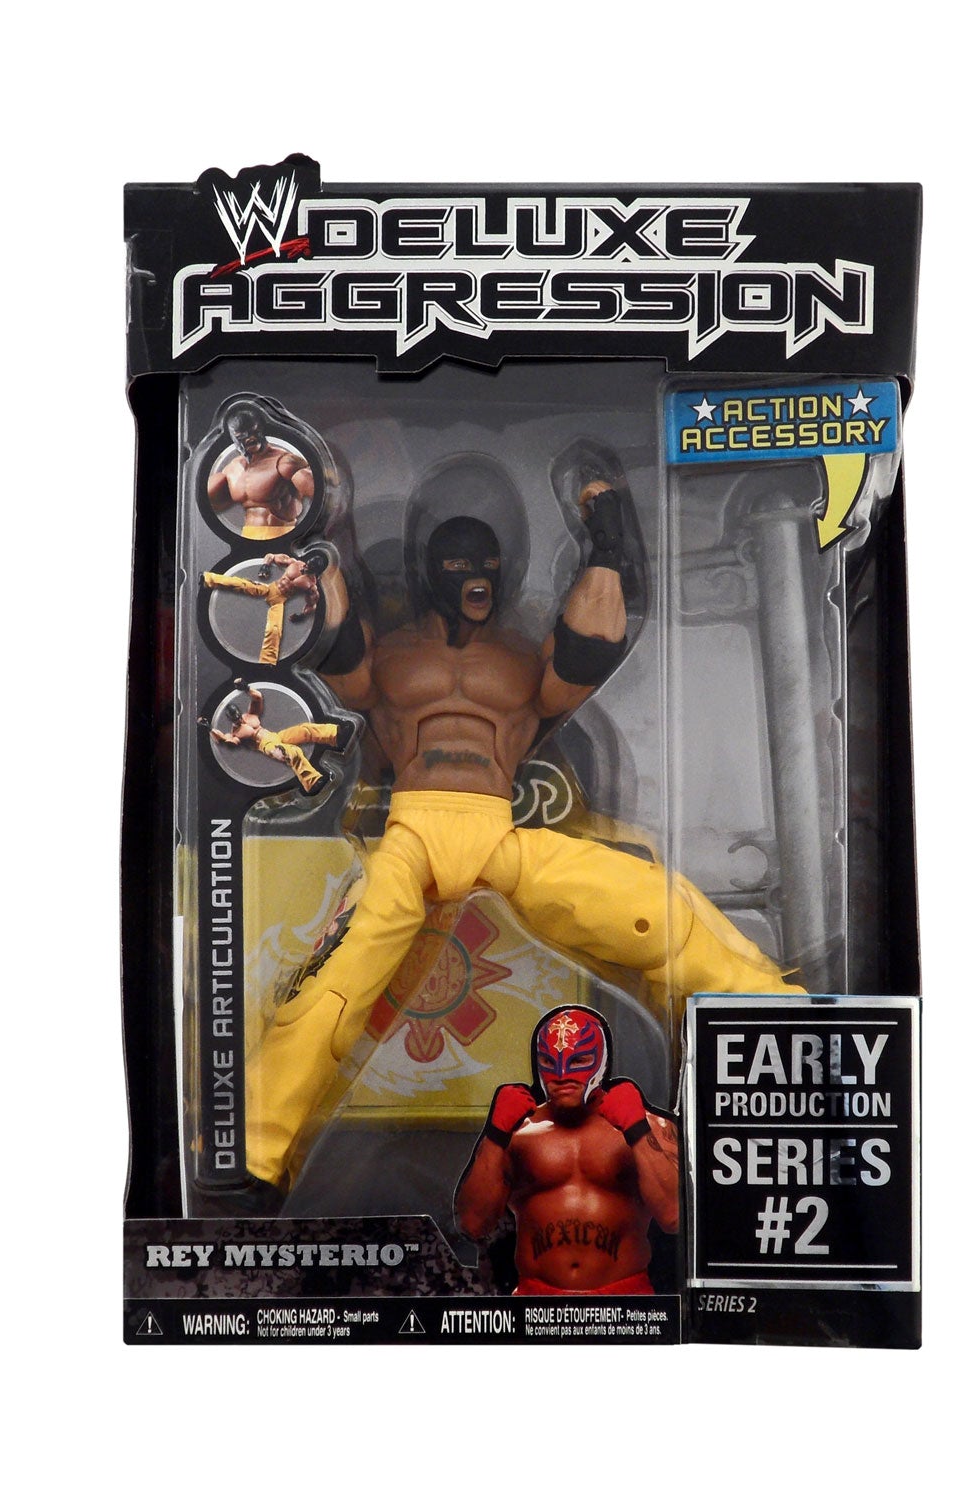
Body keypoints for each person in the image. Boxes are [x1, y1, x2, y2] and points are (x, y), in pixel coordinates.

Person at [245, 480, 802, 1193]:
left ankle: (773, 1012)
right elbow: (339, 659)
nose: (475, 579)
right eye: (459, 565)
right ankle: (254, 1154)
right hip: (408, 835)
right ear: (432, 572)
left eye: (486, 565)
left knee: (654, 911)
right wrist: (317, 546)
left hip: (499, 836)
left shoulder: (518, 659)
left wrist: (607, 543)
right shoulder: (392, 656)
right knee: (330, 993)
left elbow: (587, 654)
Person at [455, 1007, 678, 1295]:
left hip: (625, 1300)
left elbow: (674, 1217)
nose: (561, 1075)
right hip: (537, 1301)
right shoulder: (517, 1134)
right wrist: (496, 1134)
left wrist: (636, 1130)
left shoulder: (651, 1126)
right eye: (549, 1062)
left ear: (601, 1061)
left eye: (579, 1060)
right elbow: (473, 1224)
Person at [202, 682, 348, 793]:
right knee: (293, 752)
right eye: (234, 717)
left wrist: (246, 688)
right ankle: (312, 782)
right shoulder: (235, 733)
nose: (238, 718)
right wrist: (209, 728)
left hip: (275, 736)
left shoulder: (249, 716)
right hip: (266, 746)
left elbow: (257, 698)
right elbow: (225, 740)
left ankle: (336, 735)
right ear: (231, 719)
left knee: (305, 729)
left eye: (237, 715)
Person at [206, 405, 314, 540]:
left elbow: (324, 496)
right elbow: (204, 508)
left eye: (253, 432)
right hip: (248, 538)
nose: (250, 439)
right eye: (242, 436)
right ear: (233, 439)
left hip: (282, 538)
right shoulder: (231, 469)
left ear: (261, 429)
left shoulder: (285, 462)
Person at [201, 551, 321, 664]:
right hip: (269, 589)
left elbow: (312, 604)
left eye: (309, 568)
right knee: (242, 584)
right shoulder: (295, 563)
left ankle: (267, 662)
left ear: (315, 571)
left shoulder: (311, 585)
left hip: (279, 601)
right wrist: (265, 566)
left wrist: (302, 615)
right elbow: (271, 556)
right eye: (307, 564)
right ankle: (208, 578)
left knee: (275, 630)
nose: (305, 568)